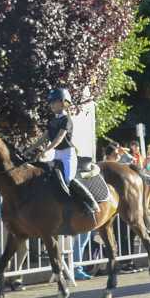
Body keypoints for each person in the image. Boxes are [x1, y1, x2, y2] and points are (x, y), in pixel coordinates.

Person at [31, 88, 98, 217]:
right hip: (56, 154)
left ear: (63, 103)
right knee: (50, 179)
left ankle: (90, 203)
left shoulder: (66, 120)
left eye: (54, 102)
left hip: (68, 154)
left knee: (67, 179)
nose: (51, 105)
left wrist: (46, 150)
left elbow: (59, 138)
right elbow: (44, 137)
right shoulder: (52, 121)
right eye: (50, 102)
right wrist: (30, 148)